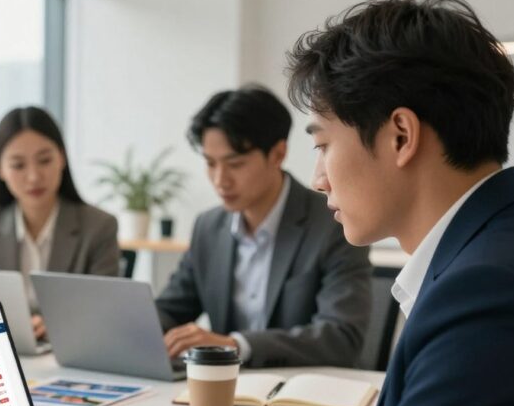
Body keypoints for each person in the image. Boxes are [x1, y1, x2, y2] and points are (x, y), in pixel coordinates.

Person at [16, 0, 514, 406]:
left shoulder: (490, 292)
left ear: (400, 135)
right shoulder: (508, 245)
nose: (318, 178)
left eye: (322, 144)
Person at [156, 85, 371, 368]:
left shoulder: (334, 222)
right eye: (210, 163)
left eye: (235, 164)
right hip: (223, 391)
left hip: (305, 394)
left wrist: (235, 346)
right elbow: (171, 310)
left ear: (278, 153)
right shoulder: (208, 227)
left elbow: (341, 336)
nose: (221, 180)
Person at [0, 106, 120, 340]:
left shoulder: (98, 226)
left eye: (44, 160)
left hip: (68, 351)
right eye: (18, 165)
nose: (33, 176)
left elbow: (105, 309)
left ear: (61, 158)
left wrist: (58, 324)